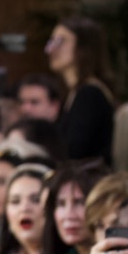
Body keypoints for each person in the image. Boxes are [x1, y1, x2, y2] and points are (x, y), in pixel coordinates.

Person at [46, 16, 115, 163]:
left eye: (61, 41)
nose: (51, 49)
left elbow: (75, 151)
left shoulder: (90, 94)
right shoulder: (74, 93)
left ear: (84, 47)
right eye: (52, 41)